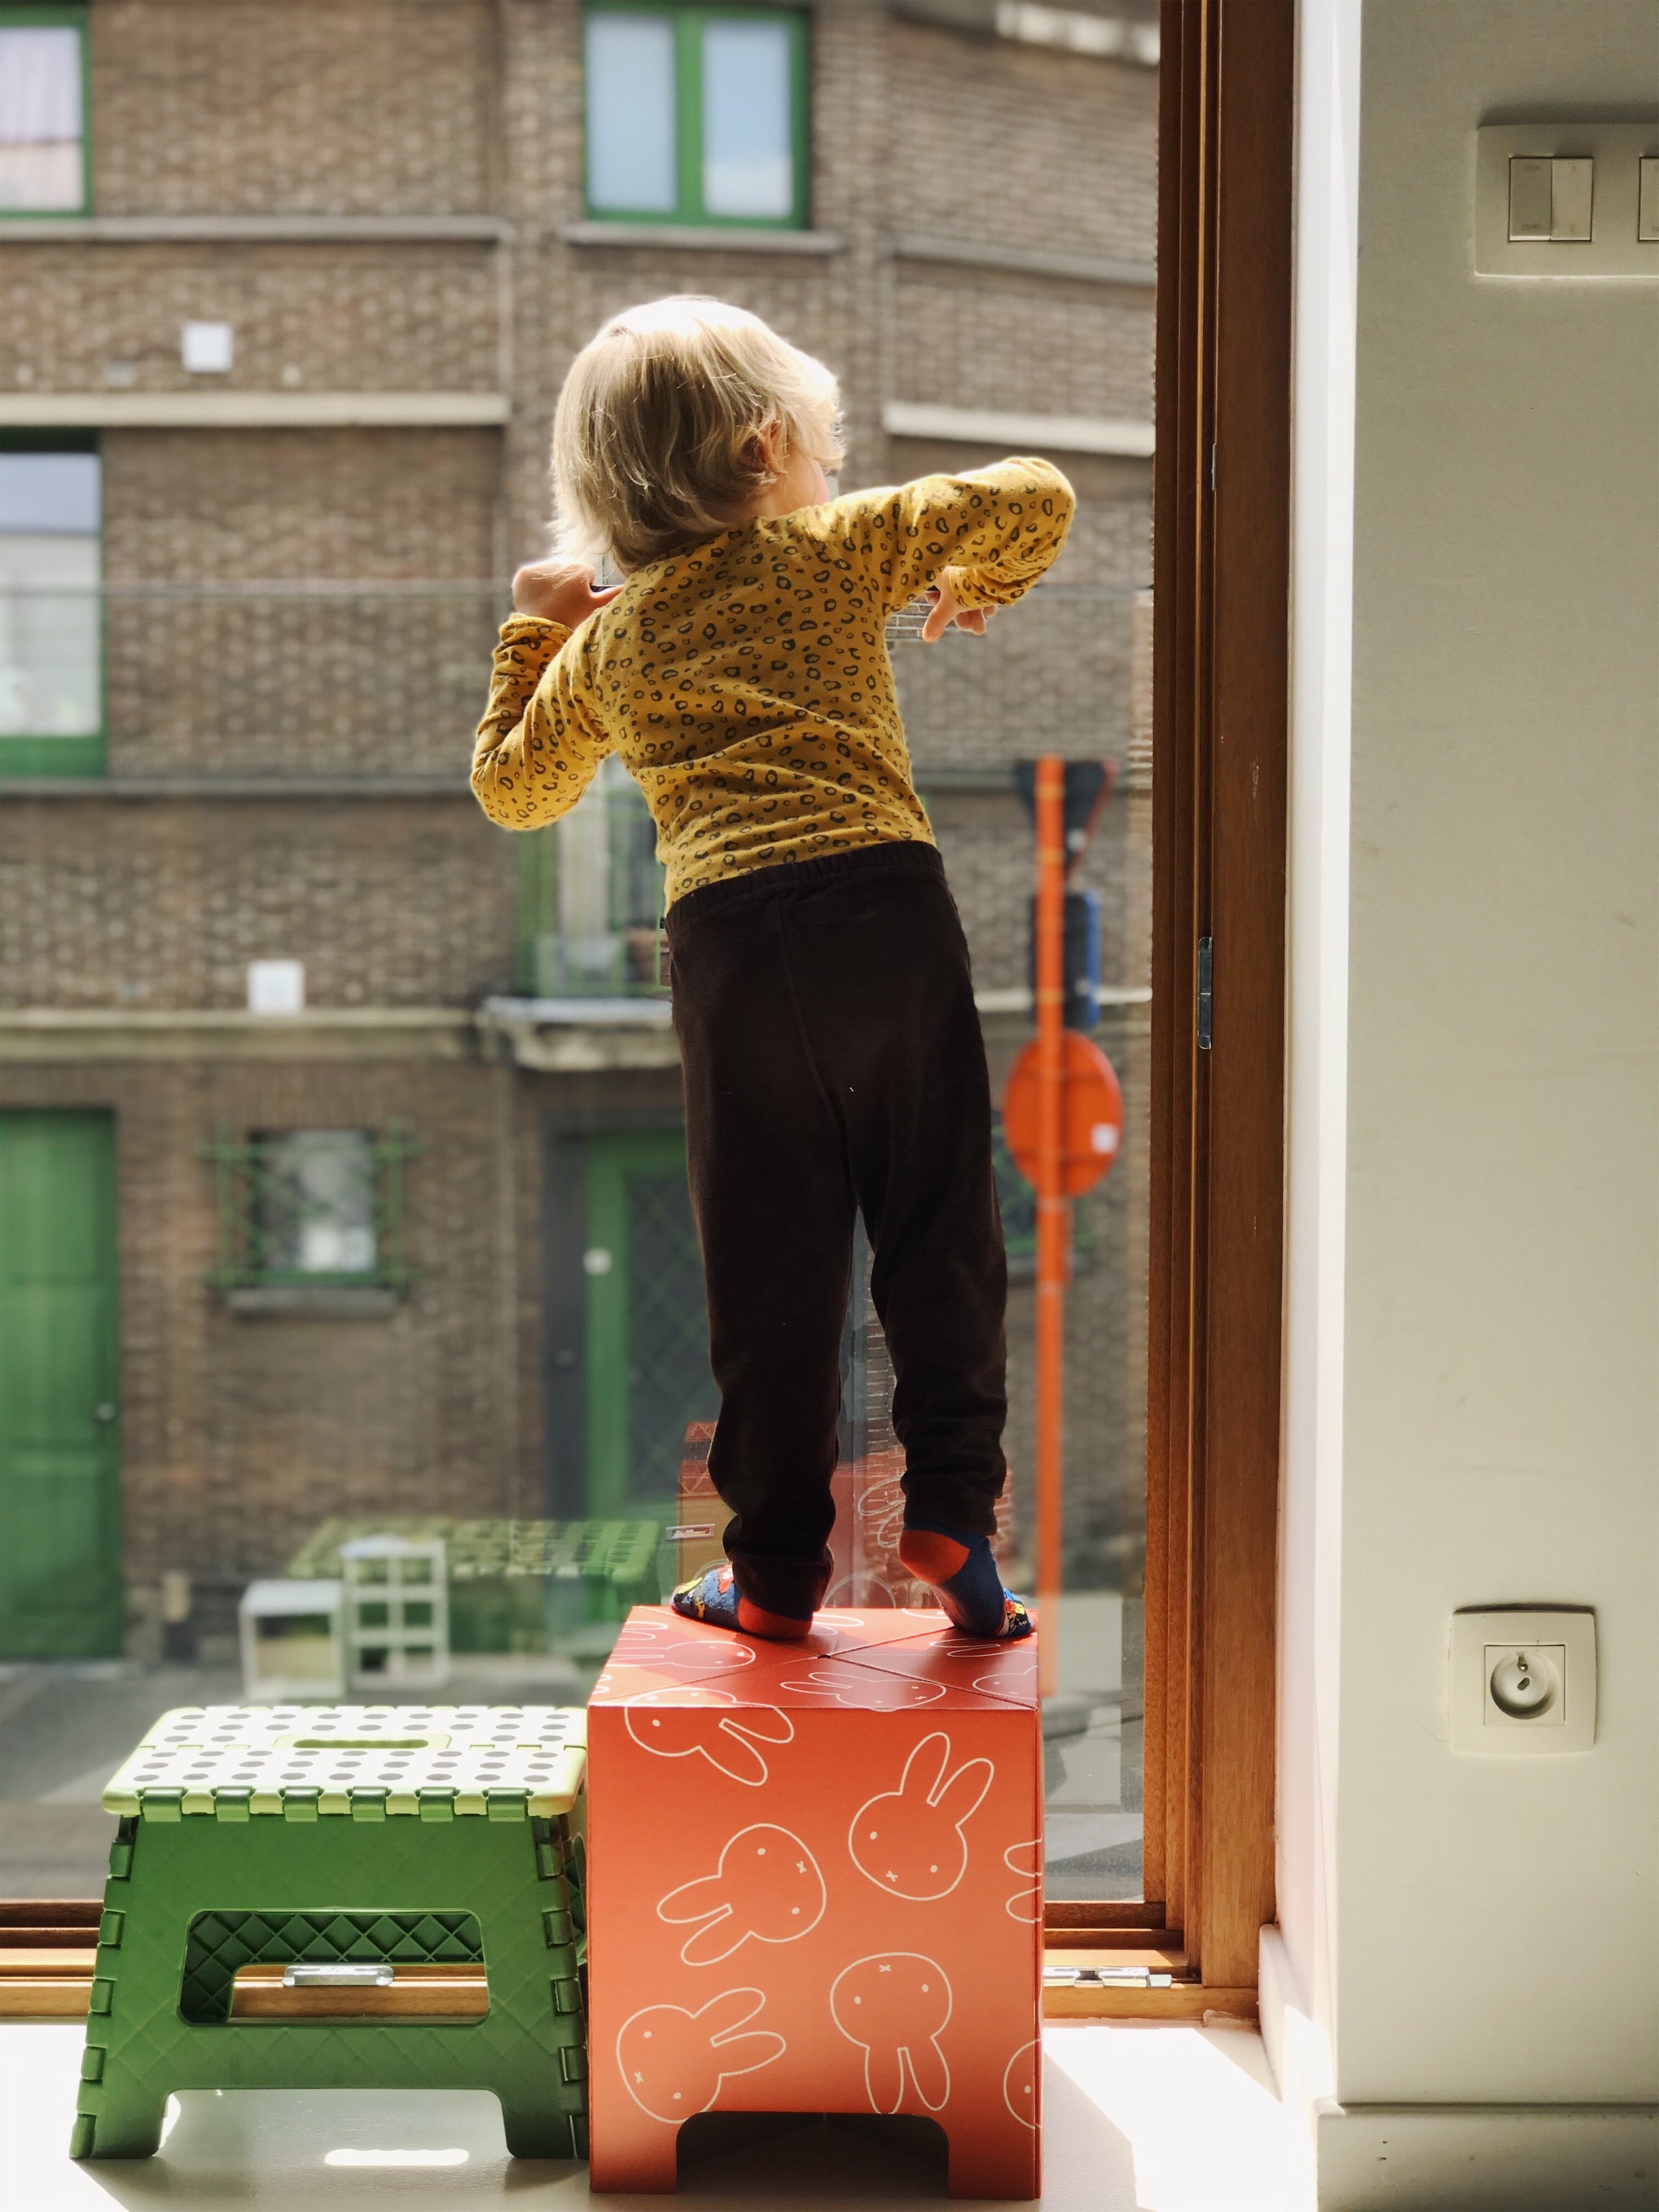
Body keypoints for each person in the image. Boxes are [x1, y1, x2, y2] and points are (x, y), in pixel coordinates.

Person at [472, 297, 1074, 1642]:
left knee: (771, 1266)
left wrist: (534, 626)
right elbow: (1035, 493)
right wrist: (974, 583)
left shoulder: (612, 644)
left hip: (733, 947)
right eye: (824, 451)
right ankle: (955, 1521)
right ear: (763, 453)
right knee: (937, 1225)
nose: (836, 478)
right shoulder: (826, 553)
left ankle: (779, 1568)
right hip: (885, 916)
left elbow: (513, 791)